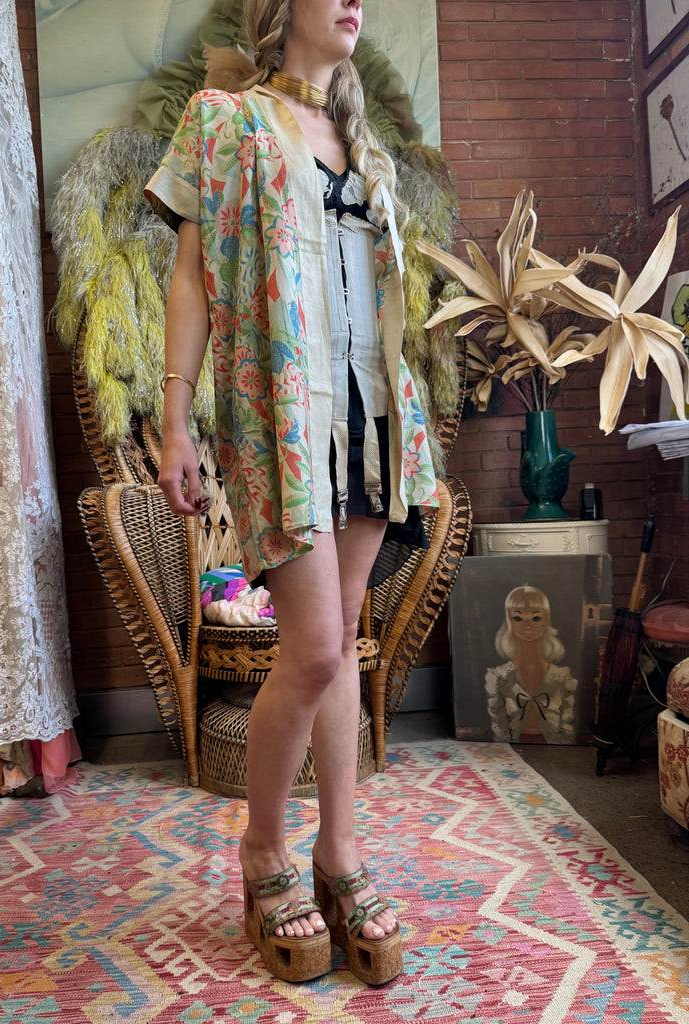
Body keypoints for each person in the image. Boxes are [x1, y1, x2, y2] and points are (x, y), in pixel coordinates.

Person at [144, 0, 439, 985]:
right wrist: (177, 419)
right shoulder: (224, 120)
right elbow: (192, 277)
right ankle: (265, 848)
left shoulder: (363, 140)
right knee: (312, 650)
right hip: (283, 417)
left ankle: (340, 854)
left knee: (342, 640)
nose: (353, 0)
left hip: (371, 415)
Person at [485, 585, 578, 745]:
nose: (527, 625)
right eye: (518, 618)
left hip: (554, 748)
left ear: (545, 621)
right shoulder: (498, 676)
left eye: (535, 618)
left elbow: (567, 725)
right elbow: (498, 726)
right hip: (513, 749)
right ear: (509, 622)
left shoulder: (562, 676)